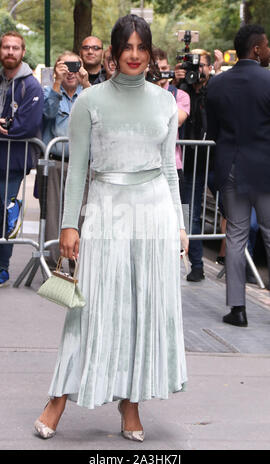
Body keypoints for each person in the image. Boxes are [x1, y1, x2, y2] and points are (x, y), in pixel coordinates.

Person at [34, 14, 188, 442]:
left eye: (142, 47)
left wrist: (178, 224)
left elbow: (169, 171)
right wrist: (70, 225)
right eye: (128, 47)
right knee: (88, 307)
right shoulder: (91, 101)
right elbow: (78, 169)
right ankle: (58, 397)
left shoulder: (164, 103)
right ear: (114, 53)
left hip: (154, 213)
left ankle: (131, 403)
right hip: (106, 211)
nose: (135, 55)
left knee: (141, 309)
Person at [207, 24, 270, 327]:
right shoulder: (269, 80)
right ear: (256, 49)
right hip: (265, 169)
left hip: (230, 166)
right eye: (267, 45)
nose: (269, 50)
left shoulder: (217, 84)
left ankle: (238, 309)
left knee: (235, 236)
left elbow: (213, 131)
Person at [174, 48, 225, 282]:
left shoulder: (213, 88)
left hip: (216, 159)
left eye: (201, 66)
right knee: (192, 214)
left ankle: (238, 262)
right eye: (194, 67)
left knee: (231, 211)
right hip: (192, 160)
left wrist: (215, 73)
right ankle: (197, 265)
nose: (197, 71)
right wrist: (179, 81)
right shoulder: (183, 90)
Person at [0, 31, 43, 286]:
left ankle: (2, 267)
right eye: (6, 47)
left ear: (23, 52)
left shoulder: (32, 85)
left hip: (12, 164)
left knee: (6, 214)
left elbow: (25, 127)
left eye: (15, 48)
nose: (10, 52)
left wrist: (8, 126)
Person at [41, 51, 90, 270]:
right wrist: (56, 83)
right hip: (56, 162)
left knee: (82, 214)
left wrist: (86, 83)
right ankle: (55, 265)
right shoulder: (49, 92)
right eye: (64, 66)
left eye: (74, 65)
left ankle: (79, 263)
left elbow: (100, 114)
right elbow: (48, 115)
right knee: (53, 214)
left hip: (83, 165)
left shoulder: (89, 93)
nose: (70, 71)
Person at [153, 47, 190, 200]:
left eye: (164, 68)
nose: (161, 72)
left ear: (169, 68)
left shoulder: (181, 95)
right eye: (157, 69)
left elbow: (177, 121)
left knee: (179, 214)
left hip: (173, 165)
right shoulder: (140, 93)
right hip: (147, 165)